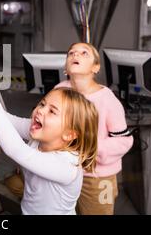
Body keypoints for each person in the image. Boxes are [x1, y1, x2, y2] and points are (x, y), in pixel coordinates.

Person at [0, 81, 98, 215]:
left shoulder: (67, 166)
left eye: (52, 111)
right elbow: (9, 121)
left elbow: (15, 150)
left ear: (68, 134)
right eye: (42, 104)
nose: (40, 110)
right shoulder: (40, 134)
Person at [55, 42, 134, 215]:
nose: (76, 55)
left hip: (97, 177)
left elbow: (124, 141)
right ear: (66, 67)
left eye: (84, 53)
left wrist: (91, 148)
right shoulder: (59, 90)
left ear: (96, 67)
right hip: (63, 171)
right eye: (71, 53)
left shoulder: (107, 99)